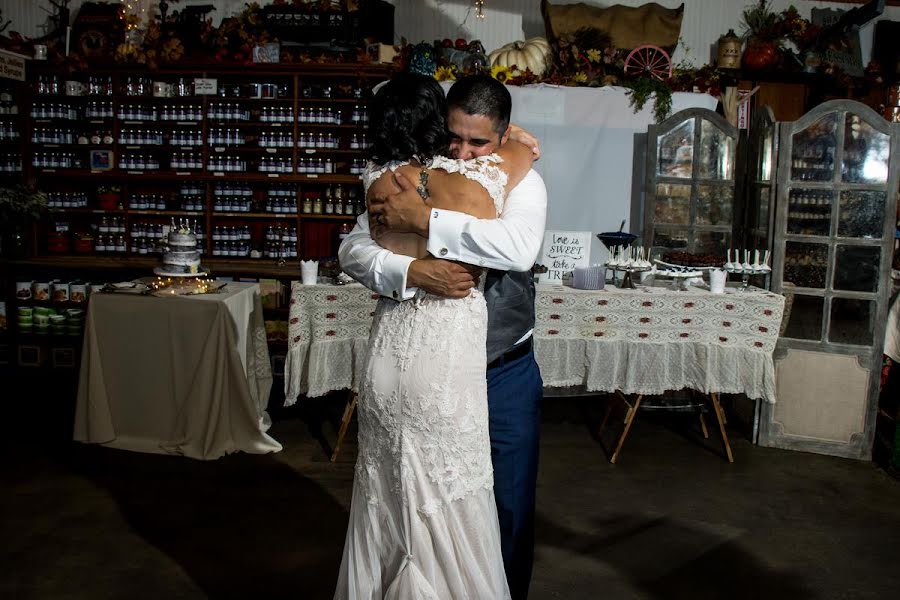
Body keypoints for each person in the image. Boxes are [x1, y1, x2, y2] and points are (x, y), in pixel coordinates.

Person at [340, 74, 548, 600]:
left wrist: (427, 221)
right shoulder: (423, 174)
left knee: (507, 507)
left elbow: (517, 248)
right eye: (454, 138)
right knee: (406, 494)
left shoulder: (520, 179)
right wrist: (410, 272)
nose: (463, 150)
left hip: (500, 368)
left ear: (500, 134)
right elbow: (353, 250)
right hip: (422, 362)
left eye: (478, 140)